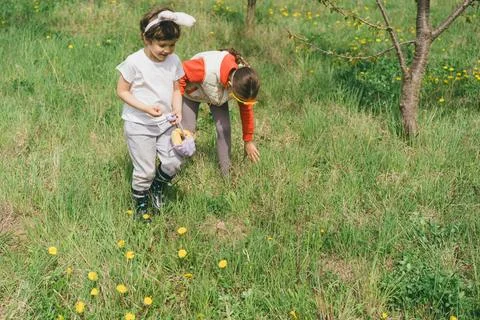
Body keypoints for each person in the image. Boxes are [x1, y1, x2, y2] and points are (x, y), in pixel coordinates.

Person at [116, 6, 195, 221]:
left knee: (174, 161)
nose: (167, 50)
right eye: (162, 45)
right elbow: (122, 91)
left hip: (166, 123)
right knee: (145, 170)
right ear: (146, 39)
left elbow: (176, 88)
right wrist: (146, 108)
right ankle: (140, 202)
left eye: (172, 45)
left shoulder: (174, 61)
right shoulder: (134, 62)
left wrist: (177, 109)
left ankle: (158, 186)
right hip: (139, 124)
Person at [180, 48, 260, 176]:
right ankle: (179, 169)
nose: (241, 103)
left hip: (215, 95)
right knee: (186, 132)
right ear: (230, 84)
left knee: (224, 129)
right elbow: (179, 73)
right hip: (192, 91)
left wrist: (248, 140)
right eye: (238, 98)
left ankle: (226, 174)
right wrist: (175, 102)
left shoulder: (244, 80)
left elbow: (246, 109)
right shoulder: (205, 69)